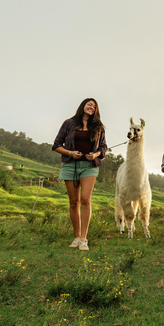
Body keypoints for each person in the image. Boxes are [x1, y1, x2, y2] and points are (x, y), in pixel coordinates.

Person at [52, 98, 107, 252]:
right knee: (73, 202)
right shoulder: (68, 123)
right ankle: (76, 236)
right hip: (70, 165)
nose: (92, 107)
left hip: (89, 166)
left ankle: (84, 238)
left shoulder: (99, 127)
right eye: (89, 104)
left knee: (85, 199)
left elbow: (104, 147)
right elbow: (56, 145)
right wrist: (70, 153)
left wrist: (95, 154)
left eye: (94, 106)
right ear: (83, 106)